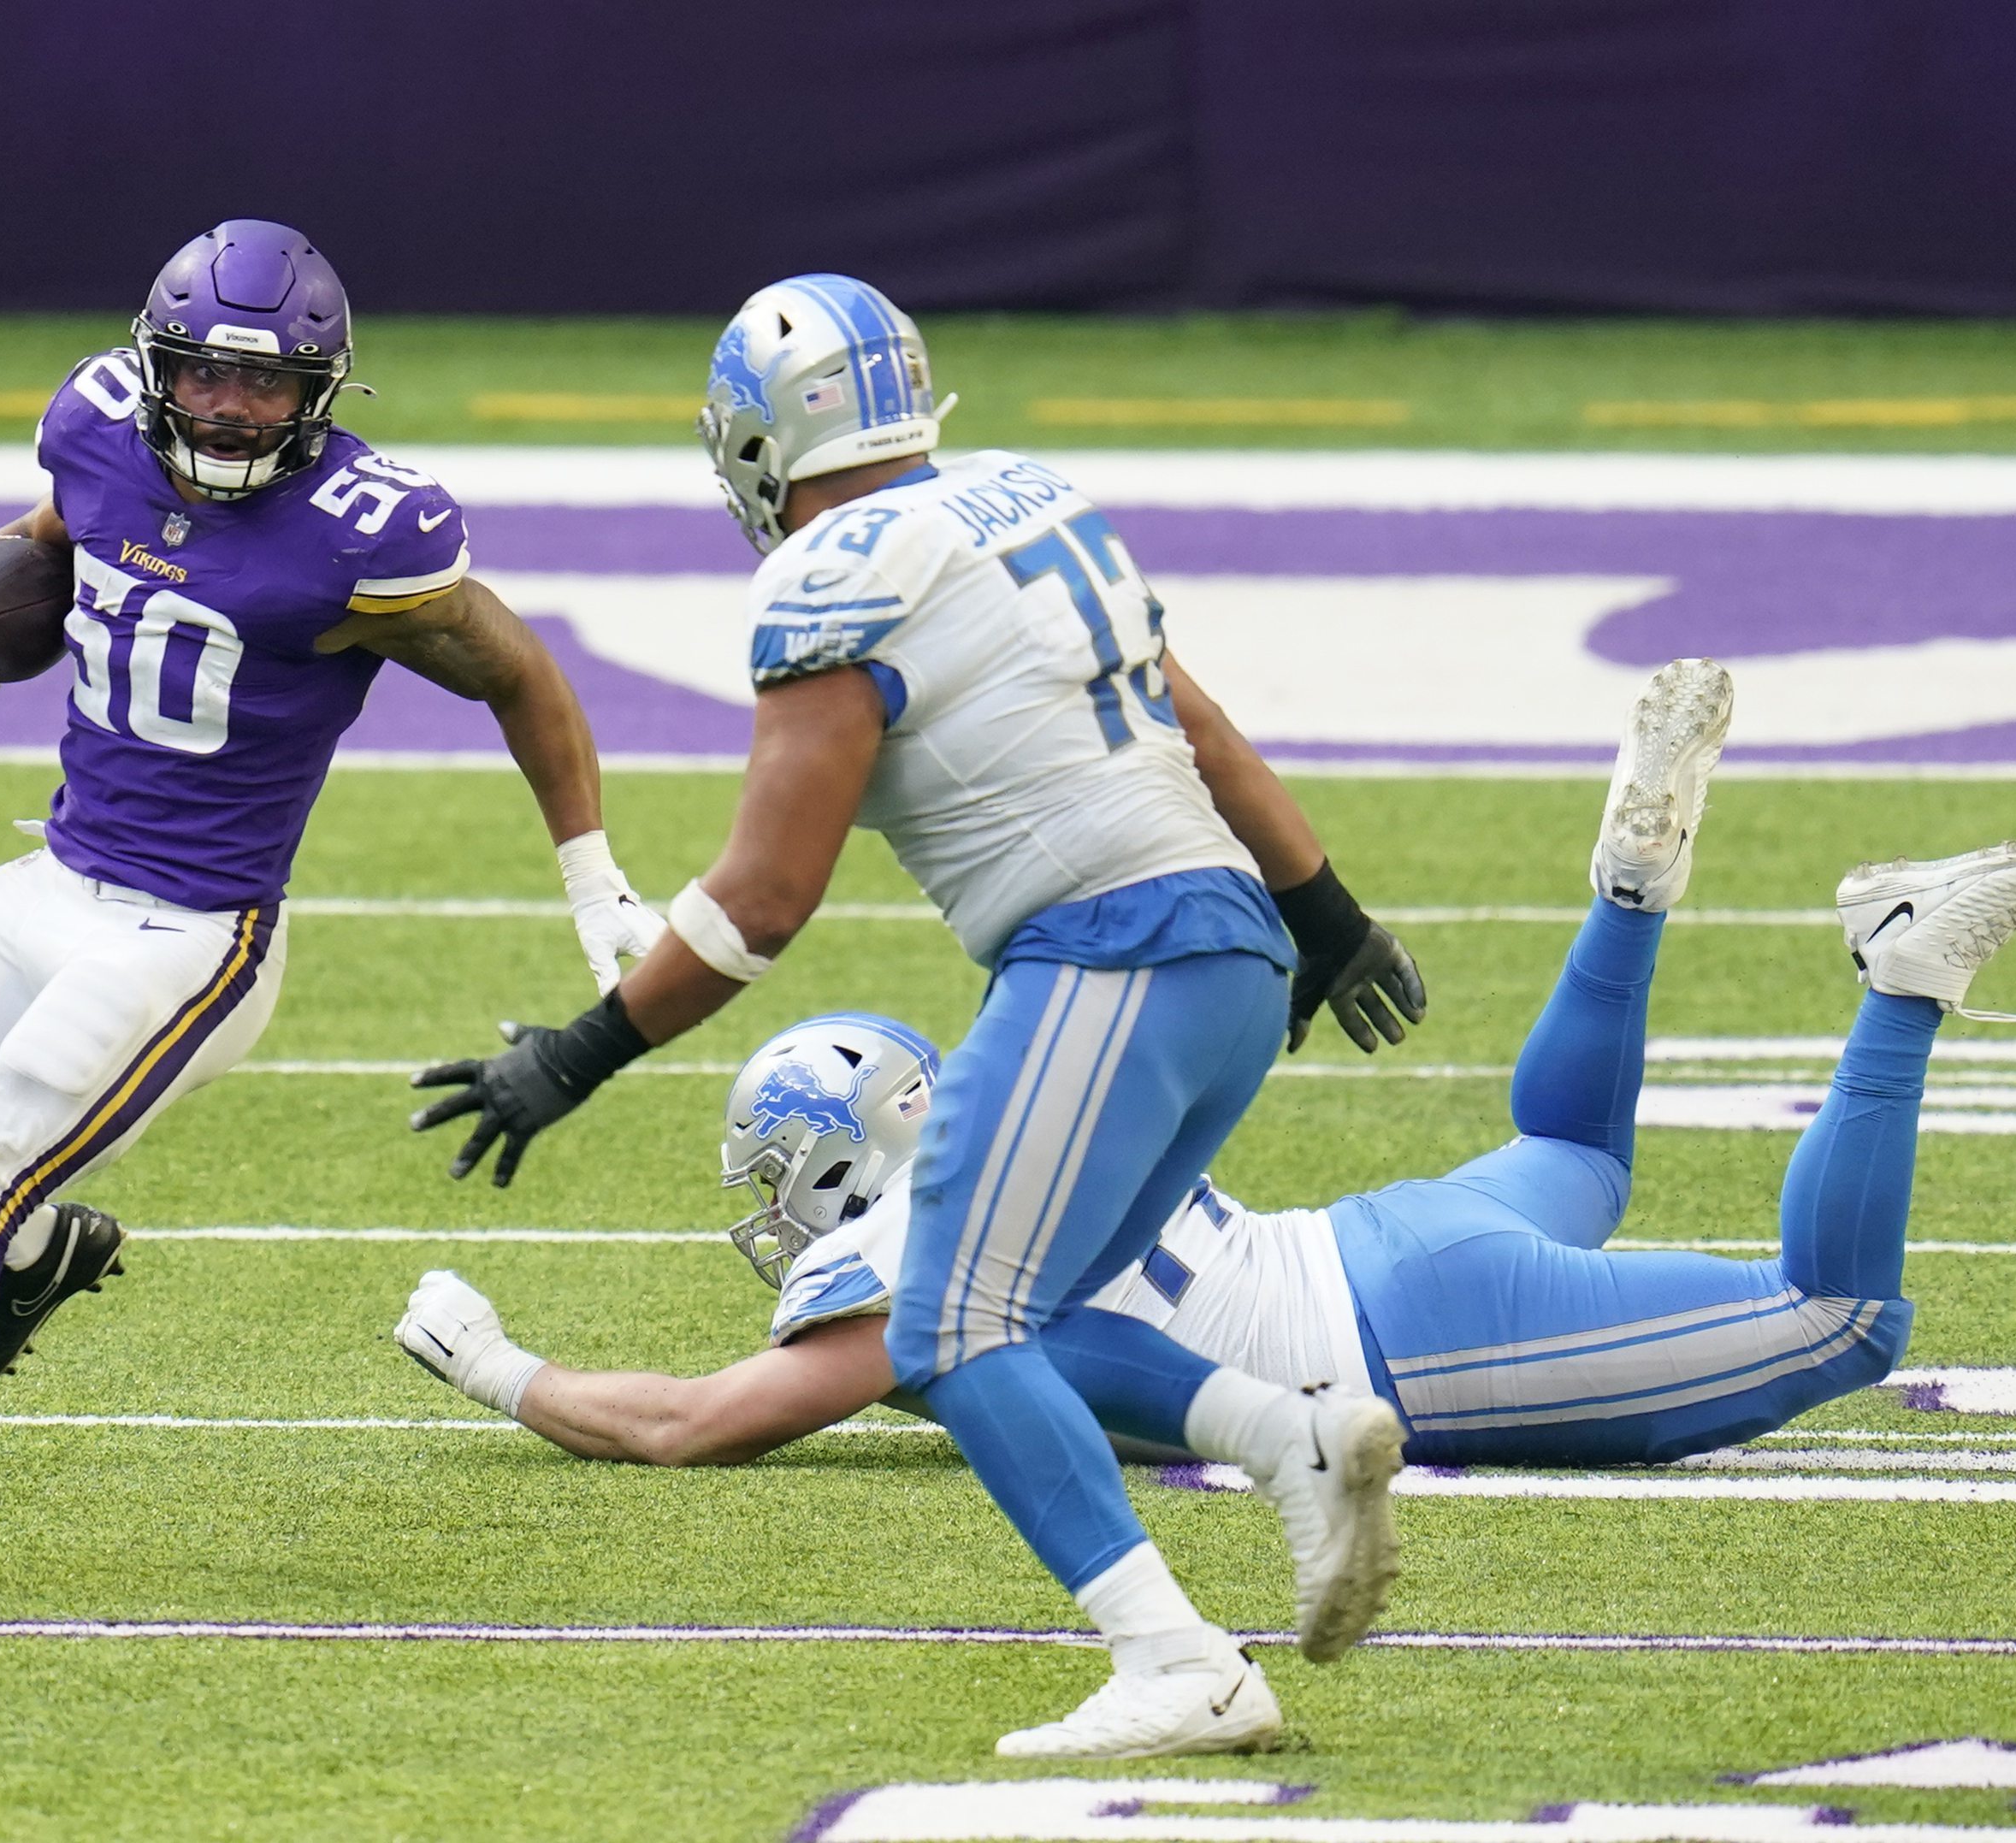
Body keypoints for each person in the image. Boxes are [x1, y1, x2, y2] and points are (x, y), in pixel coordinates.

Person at [399, 659, 2016, 1557]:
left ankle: (1901, 974)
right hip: (1378, 1236)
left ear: (855, 1159)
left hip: (1398, 1331)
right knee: (1580, 1156)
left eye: (783, 1171)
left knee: (1845, 1317)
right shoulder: (1021, 1093)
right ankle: (1630, 889)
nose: (774, 1208)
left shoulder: (914, 1254)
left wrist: (501, 1366)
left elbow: (699, 1420)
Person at [406, 274, 1429, 1758]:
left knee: (948, 1326)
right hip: (1231, 954)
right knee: (1040, 1306)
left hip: (1106, 953)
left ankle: (1175, 1660)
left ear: (763, 436)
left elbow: (762, 899)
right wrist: (1325, 913)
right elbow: (1189, 719)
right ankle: (1295, 1436)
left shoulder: (833, 577)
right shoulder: (1027, 495)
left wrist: (577, 1053)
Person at [0, 220, 665, 1594]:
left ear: (323, 393)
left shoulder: (363, 536)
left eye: (269, 387)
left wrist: (590, 876)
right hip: (52, 879)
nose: (234, 409)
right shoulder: (96, 421)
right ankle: (34, 1244)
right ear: (157, 366)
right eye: (206, 378)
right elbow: (63, 534)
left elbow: (518, 673)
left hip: (196, 937)